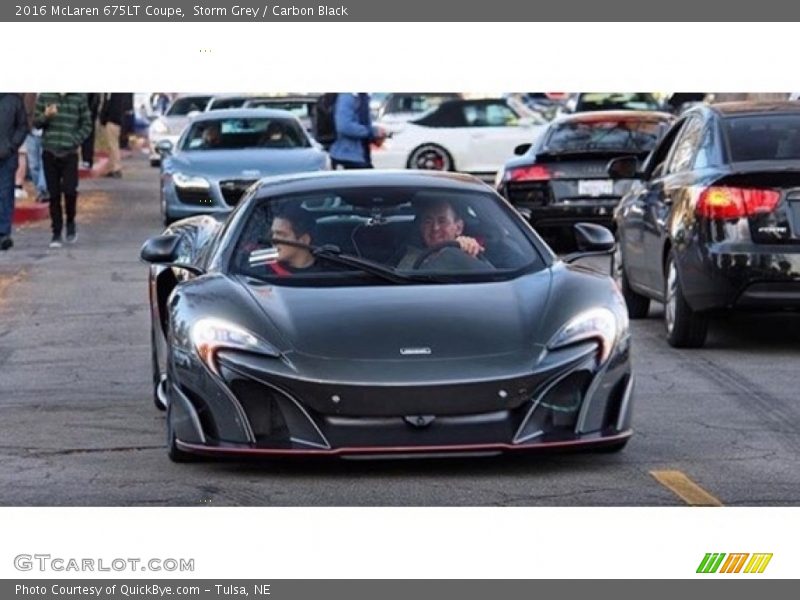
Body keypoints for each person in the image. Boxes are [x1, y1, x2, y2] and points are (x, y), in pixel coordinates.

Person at [34, 93, 91, 248]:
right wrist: (46, 116)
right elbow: (36, 123)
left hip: (69, 152)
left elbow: (87, 124)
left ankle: (70, 221)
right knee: (54, 194)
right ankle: (56, 232)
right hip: (50, 150)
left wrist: (75, 140)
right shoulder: (46, 96)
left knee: (70, 190)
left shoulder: (78, 97)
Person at [395, 199, 484, 270]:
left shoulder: (469, 252)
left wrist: (469, 255)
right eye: (428, 222)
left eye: (442, 221)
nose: (435, 228)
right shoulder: (411, 258)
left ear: (458, 228)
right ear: (421, 227)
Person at [0, 93, 29, 251]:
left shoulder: (14, 101)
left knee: (5, 194)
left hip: (7, 156)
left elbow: (22, 126)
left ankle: (3, 233)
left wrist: (12, 146)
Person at [329, 93, 383, 169]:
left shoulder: (362, 97)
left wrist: (375, 134)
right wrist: (371, 132)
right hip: (347, 157)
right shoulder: (347, 97)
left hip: (360, 157)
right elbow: (344, 126)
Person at [267, 205, 324, 275]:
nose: (273, 240)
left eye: (280, 234)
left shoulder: (331, 273)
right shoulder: (261, 273)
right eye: (272, 234)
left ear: (304, 240)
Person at [99, 93, 131, 177]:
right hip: (117, 120)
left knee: (113, 145)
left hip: (112, 120)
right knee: (111, 145)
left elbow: (107, 104)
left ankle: (116, 168)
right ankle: (111, 167)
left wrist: (103, 118)